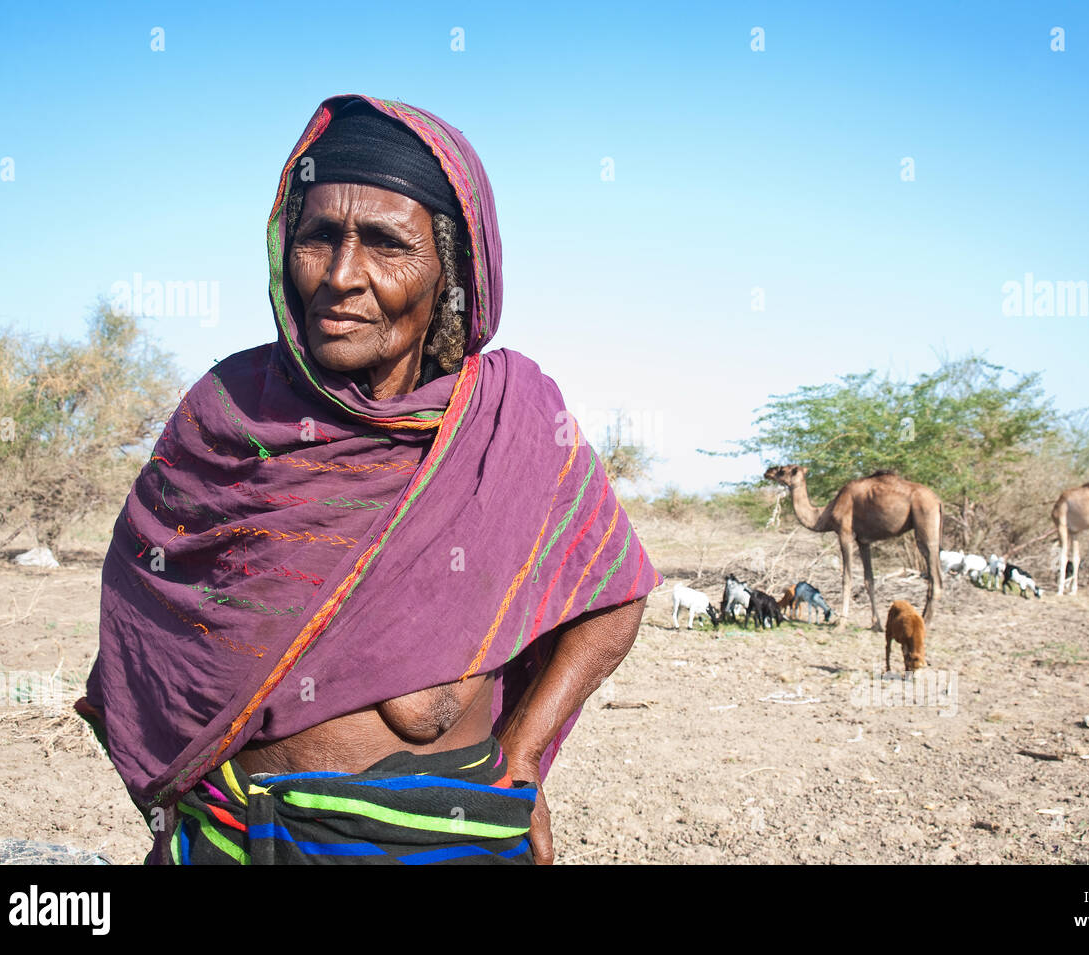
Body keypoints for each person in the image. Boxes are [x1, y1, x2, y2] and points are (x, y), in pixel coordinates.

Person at [76, 94, 660, 865]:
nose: (342, 276)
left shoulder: (507, 417)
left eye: (386, 243)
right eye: (318, 236)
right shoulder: (228, 412)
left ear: (451, 268)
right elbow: (142, 623)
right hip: (234, 836)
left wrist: (523, 750)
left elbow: (614, 587)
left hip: (442, 838)